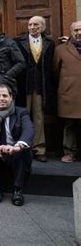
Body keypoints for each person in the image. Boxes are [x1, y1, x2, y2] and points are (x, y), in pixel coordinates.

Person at [0, 84, 34, 206]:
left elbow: (29, 130)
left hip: (14, 153)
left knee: (25, 147)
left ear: (11, 97)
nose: (1, 98)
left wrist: (17, 146)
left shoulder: (21, 112)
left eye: (5, 95)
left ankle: (17, 190)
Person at [14, 16, 55, 162]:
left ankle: (39, 149)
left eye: (36, 25)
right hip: (23, 86)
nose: (32, 27)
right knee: (22, 117)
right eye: (30, 24)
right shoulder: (18, 42)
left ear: (43, 26)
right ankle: (22, 147)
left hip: (40, 86)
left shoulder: (50, 43)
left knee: (38, 118)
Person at [53, 20, 81, 163]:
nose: (79, 33)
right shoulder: (61, 49)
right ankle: (69, 152)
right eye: (76, 30)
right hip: (69, 93)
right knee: (70, 125)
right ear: (71, 32)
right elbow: (55, 72)